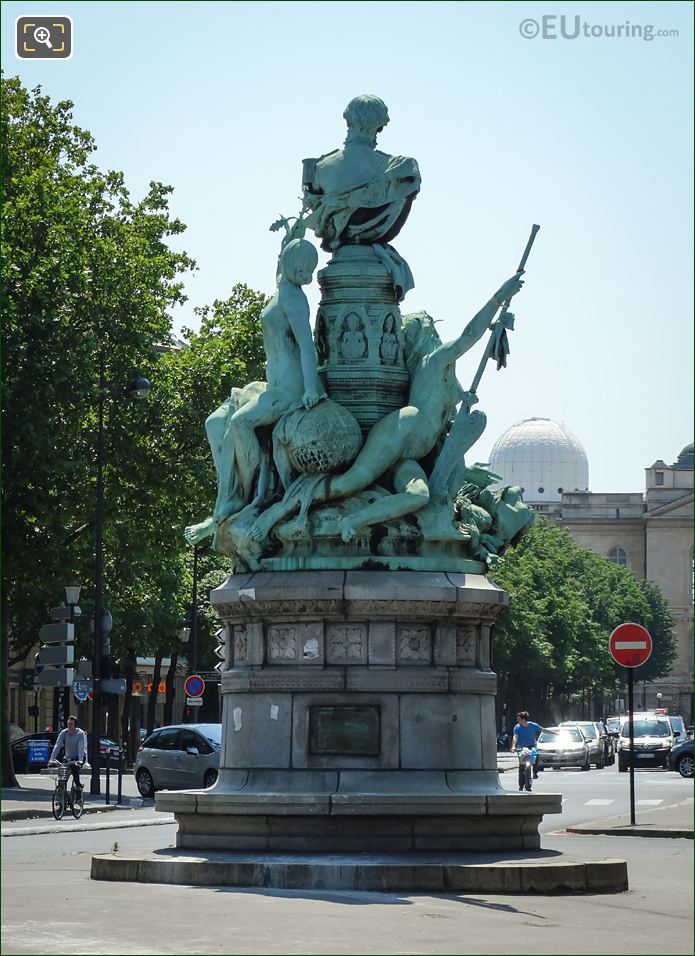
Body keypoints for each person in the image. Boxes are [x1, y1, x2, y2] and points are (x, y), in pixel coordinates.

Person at [510, 711, 556, 790]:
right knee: (521, 766)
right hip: (521, 748)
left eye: (519, 719)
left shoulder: (532, 725)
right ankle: (521, 785)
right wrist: (513, 746)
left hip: (531, 746)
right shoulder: (517, 727)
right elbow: (515, 737)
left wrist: (554, 733)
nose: (517, 720)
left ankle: (535, 772)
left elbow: (542, 729)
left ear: (523, 719)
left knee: (536, 755)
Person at [49, 715, 87, 790]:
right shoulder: (64, 733)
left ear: (75, 725)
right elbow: (58, 745)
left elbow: (80, 747)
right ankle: (63, 793)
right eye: (68, 724)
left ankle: (78, 789)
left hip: (78, 757)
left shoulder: (80, 733)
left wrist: (80, 760)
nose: (69, 725)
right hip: (68, 757)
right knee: (63, 776)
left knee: (74, 769)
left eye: (71, 724)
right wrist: (52, 758)